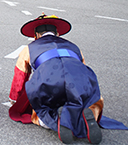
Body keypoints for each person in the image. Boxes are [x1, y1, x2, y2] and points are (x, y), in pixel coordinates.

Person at [8, 15, 127, 144]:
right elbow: (83, 68)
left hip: (50, 83)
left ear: (36, 35)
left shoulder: (29, 48)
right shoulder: (73, 46)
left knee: (41, 111)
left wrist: (15, 99)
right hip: (76, 81)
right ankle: (89, 115)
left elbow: (20, 76)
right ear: (57, 33)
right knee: (87, 101)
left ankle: (57, 121)